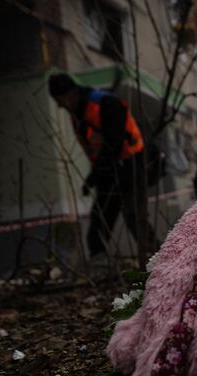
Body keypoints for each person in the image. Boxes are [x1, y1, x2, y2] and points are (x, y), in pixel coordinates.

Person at [47, 73, 156, 260]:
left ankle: (159, 258)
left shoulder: (105, 104)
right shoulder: (78, 115)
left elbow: (113, 144)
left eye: (59, 100)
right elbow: (98, 151)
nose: (59, 106)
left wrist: (95, 176)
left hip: (131, 165)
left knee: (134, 217)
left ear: (70, 94)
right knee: (100, 219)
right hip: (107, 169)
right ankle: (99, 259)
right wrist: (93, 177)